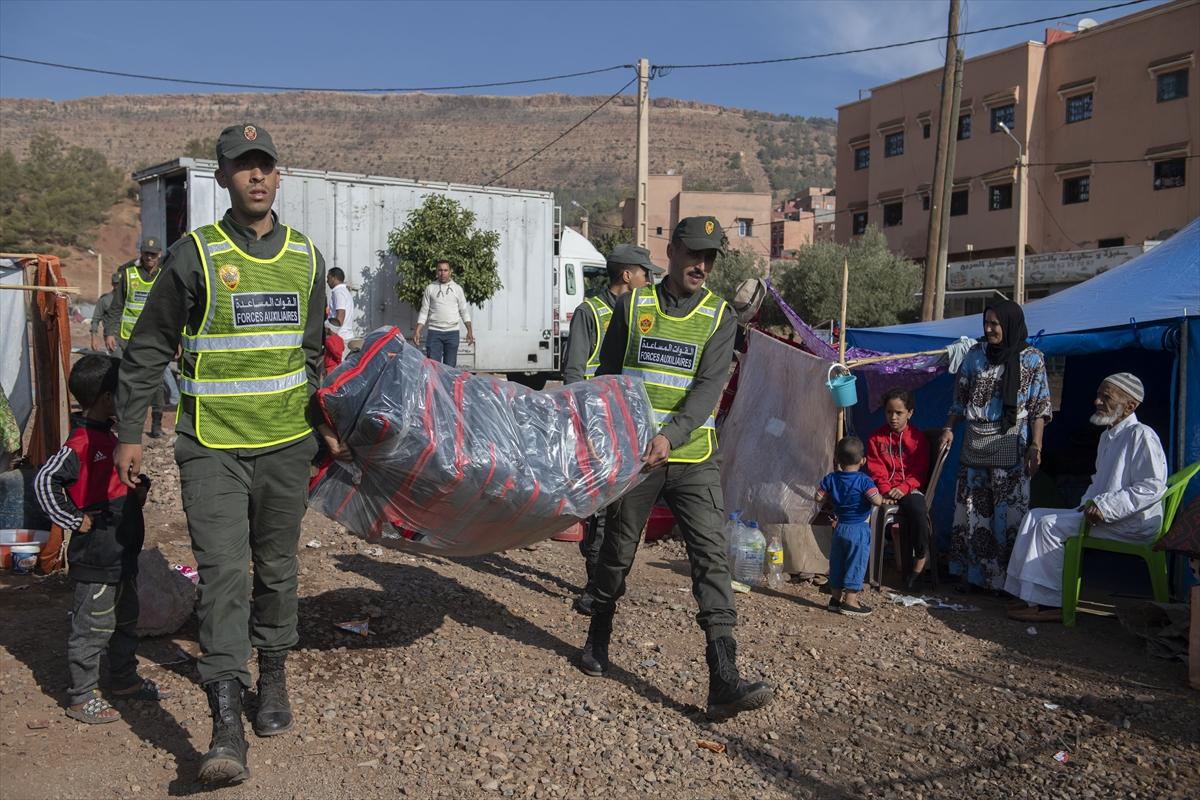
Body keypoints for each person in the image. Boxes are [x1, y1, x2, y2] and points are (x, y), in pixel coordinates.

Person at [113, 122, 349, 785]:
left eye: (265, 166)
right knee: (223, 574)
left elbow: (311, 355)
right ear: (222, 178)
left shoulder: (305, 256)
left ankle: (271, 676)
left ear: (279, 176)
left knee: (276, 568)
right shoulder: (196, 254)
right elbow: (150, 347)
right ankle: (224, 719)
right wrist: (131, 431)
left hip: (284, 448)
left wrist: (324, 422)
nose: (256, 176)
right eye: (243, 167)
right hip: (212, 445)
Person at [576, 216, 773, 720]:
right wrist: (609, 434)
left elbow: (709, 389)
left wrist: (671, 435)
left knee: (711, 557)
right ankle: (598, 631)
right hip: (638, 460)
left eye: (710, 258)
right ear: (673, 252)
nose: (702, 266)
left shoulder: (718, 316)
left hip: (693, 457)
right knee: (617, 552)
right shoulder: (633, 304)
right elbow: (611, 375)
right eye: (694, 254)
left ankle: (722, 676)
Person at [34, 355, 167, 724]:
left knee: (126, 620)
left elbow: (116, 482)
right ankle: (80, 696)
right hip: (96, 557)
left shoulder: (108, 436)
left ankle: (124, 680)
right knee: (91, 628)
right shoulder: (80, 442)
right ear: (109, 397)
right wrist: (73, 520)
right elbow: (45, 481)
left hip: (121, 552)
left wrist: (138, 492)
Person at [1005, 374, 1167, 622]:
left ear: (1130, 406)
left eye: (1106, 397)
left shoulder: (1141, 434)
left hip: (1132, 522)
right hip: (1105, 514)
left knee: (1050, 526)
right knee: (1034, 516)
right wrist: (1086, 506)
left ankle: (1052, 605)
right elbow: (1099, 481)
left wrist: (1106, 506)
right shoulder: (1108, 436)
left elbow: (1152, 486)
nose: (1097, 401)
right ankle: (1028, 596)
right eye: (1099, 395)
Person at [562, 244, 661, 593]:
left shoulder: (640, 312)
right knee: (600, 507)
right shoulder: (590, 312)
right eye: (644, 273)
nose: (649, 279)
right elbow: (574, 373)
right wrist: (584, 424)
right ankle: (596, 584)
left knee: (618, 505)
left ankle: (603, 577)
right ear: (626, 275)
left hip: (627, 424)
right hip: (597, 423)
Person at [939, 300, 1052, 593]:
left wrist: (1036, 447)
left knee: (1010, 513)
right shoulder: (975, 355)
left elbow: (1040, 408)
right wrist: (949, 429)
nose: (989, 329)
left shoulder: (1032, 360)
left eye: (995, 324)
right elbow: (960, 399)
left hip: (1012, 445)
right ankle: (976, 577)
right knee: (974, 509)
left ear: (1010, 324)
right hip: (976, 442)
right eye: (986, 323)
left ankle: (1008, 582)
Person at [866, 388, 933, 590]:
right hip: (885, 490)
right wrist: (886, 490)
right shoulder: (876, 438)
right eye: (889, 412)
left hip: (909, 488)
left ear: (910, 413)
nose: (893, 417)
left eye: (899, 413)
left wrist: (904, 487)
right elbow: (875, 468)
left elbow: (920, 470)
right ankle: (861, 565)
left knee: (917, 509)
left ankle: (920, 558)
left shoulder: (918, 439)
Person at [104, 235, 170, 437]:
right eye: (146, 253)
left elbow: (171, 309)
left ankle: (157, 424)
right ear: (141, 253)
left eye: (153, 254)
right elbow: (116, 307)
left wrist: (177, 338)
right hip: (127, 339)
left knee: (157, 383)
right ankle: (125, 422)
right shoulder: (129, 275)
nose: (149, 257)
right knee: (125, 381)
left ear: (159, 255)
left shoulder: (165, 276)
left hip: (154, 339)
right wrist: (110, 333)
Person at [816, 436, 884, 616]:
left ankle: (835, 599)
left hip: (839, 527)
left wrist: (831, 496)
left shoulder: (831, 478)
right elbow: (876, 500)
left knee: (837, 562)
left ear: (836, 459)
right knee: (856, 563)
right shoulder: (864, 481)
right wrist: (881, 497)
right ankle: (851, 602)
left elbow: (818, 497)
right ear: (863, 460)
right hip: (859, 529)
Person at [414, 259, 474, 366]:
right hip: (434, 332)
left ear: (450, 271)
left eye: (445, 270)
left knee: (450, 369)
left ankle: (447, 384)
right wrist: (417, 331)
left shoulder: (457, 289)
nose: (443, 273)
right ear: (437, 271)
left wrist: (469, 331)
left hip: (452, 333)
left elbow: (464, 311)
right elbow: (424, 311)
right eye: (440, 270)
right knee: (433, 367)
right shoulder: (430, 288)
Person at [325, 267, 355, 347]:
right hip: (345, 337)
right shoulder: (344, 291)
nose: (327, 281)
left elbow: (340, 316)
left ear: (334, 278)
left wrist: (330, 335)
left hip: (341, 338)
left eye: (328, 278)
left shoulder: (339, 292)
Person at [90, 272, 121, 352]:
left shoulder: (130, 298)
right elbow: (95, 320)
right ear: (112, 284)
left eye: (120, 283)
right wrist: (94, 338)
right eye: (116, 284)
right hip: (112, 337)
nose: (118, 286)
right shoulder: (105, 300)